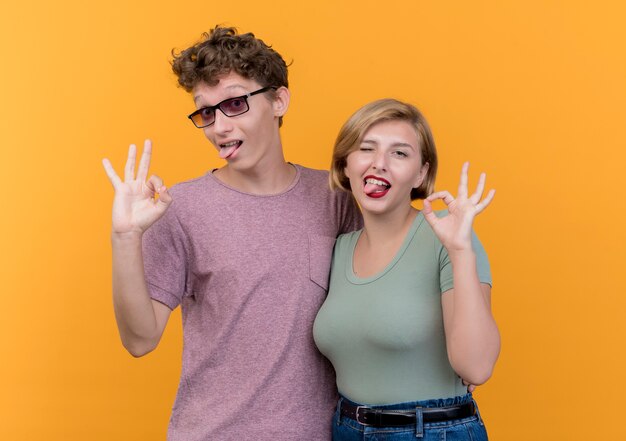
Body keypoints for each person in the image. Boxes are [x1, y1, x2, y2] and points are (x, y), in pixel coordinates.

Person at [101, 27, 362, 440]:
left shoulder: (337, 199)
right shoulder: (178, 208)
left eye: (235, 104)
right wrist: (125, 238)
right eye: (206, 112)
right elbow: (139, 339)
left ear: (279, 100)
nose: (218, 127)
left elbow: (390, 292)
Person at [313, 99, 500, 440]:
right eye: (366, 148)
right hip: (346, 428)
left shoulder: (448, 234)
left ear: (421, 173)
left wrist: (460, 251)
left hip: (429, 431)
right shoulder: (339, 248)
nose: (380, 163)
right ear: (345, 165)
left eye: (399, 153)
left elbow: (476, 367)